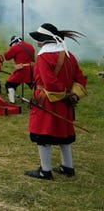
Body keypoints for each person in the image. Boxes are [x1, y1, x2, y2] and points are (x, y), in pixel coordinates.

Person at [25, 23, 87, 180]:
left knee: (42, 135)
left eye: (38, 39)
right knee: (64, 135)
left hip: (47, 100)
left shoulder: (43, 57)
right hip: (65, 102)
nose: (37, 42)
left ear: (45, 40)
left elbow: (49, 82)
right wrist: (73, 95)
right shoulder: (69, 55)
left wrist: (63, 95)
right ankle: (68, 167)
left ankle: (45, 171)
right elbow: (80, 79)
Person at [3, 35, 36, 103]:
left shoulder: (15, 47)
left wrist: (11, 48)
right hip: (32, 69)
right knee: (34, 86)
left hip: (22, 69)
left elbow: (7, 56)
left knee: (9, 84)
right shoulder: (30, 46)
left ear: (14, 42)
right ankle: (40, 99)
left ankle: (12, 102)